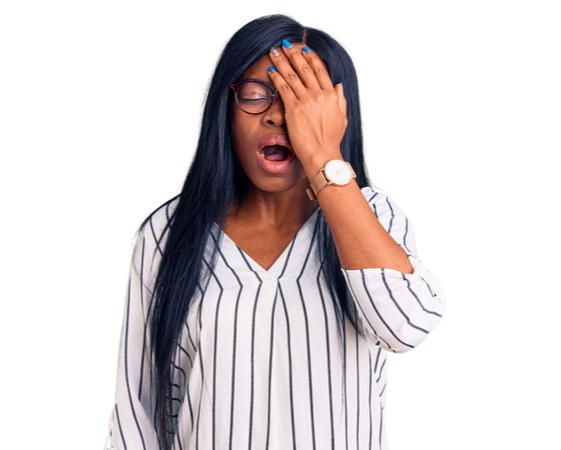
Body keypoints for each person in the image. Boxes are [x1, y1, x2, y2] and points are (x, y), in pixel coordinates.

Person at [106, 14, 445, 450]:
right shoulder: (167, 234)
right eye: (255, 95)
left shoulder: (374, 216)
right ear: (226, 108)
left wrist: (324, 155)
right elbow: (138, 410)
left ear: (337, 114)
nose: (279, 116)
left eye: (302, 99)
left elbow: (406, 327)